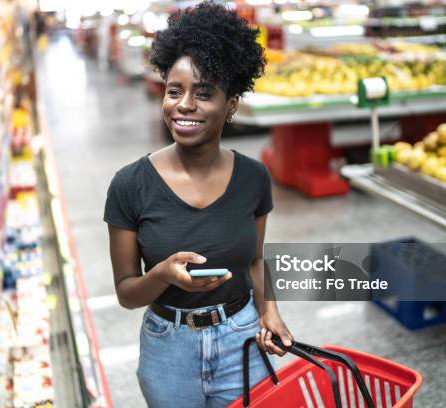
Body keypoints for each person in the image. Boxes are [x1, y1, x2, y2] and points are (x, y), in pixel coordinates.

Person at [104, 2, 293, 407]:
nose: (184, 105)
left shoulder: (253, 178)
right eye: (175, 91)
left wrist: (269, 312)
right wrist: (163, 275)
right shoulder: (130, 184)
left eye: (204, 93)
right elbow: (127, 293)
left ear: (231, 104)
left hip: (242, 338)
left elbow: (256, 260)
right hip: (168, 348)